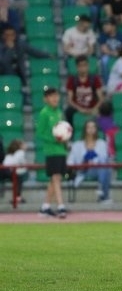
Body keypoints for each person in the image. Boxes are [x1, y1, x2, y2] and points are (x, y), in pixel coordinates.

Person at [35, 88, 68, 218]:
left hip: (61, 150)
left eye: (56, 96)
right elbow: (40, 133)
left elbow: (64, 129)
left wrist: (65, 139)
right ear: (46, 99)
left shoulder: (59, 112)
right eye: (51, 96)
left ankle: (45, 207)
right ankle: (61, 206)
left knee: (55, 179)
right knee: (56, 178)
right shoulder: (44, 113)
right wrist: (55, 139)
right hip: (51, 150)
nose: (55, 98)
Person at [67, 119, 112, 203]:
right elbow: (70, 161)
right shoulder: (77, 145)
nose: (91, 129)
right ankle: (104, 195)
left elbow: (104, 158)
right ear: (85, 129)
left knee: (105, 168)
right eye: (88, 127)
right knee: (105, 169)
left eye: (93, 127)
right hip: (82, 170)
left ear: (96, 129)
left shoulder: (101, 143)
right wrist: (82, 163)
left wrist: (94, 161)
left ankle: (101, 191)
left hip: (97, 169)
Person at [65, 55, 105, 125]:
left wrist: (94, 108)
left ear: (88, 66)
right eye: (80, 66)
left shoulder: (95, 79)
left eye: (84, 65)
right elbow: (69, 100)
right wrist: (80, 109)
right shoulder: (72, 80)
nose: (83, 68)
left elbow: (101, 98)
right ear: (77, 67)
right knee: (68, 111)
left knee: (106, 108)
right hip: (78, 108)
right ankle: (71, 131)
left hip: (93, 107)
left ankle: (107, 131)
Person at [2, 138, 27, 205]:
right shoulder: (20, 152)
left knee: (18, 178)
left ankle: (17, 197)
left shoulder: (10, 153)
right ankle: (17, 198)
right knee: (19, 177)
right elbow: (22, 164)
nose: (26, 145)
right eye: (23, 144)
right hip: (8, 171)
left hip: (5, 171)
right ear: (20, 146)